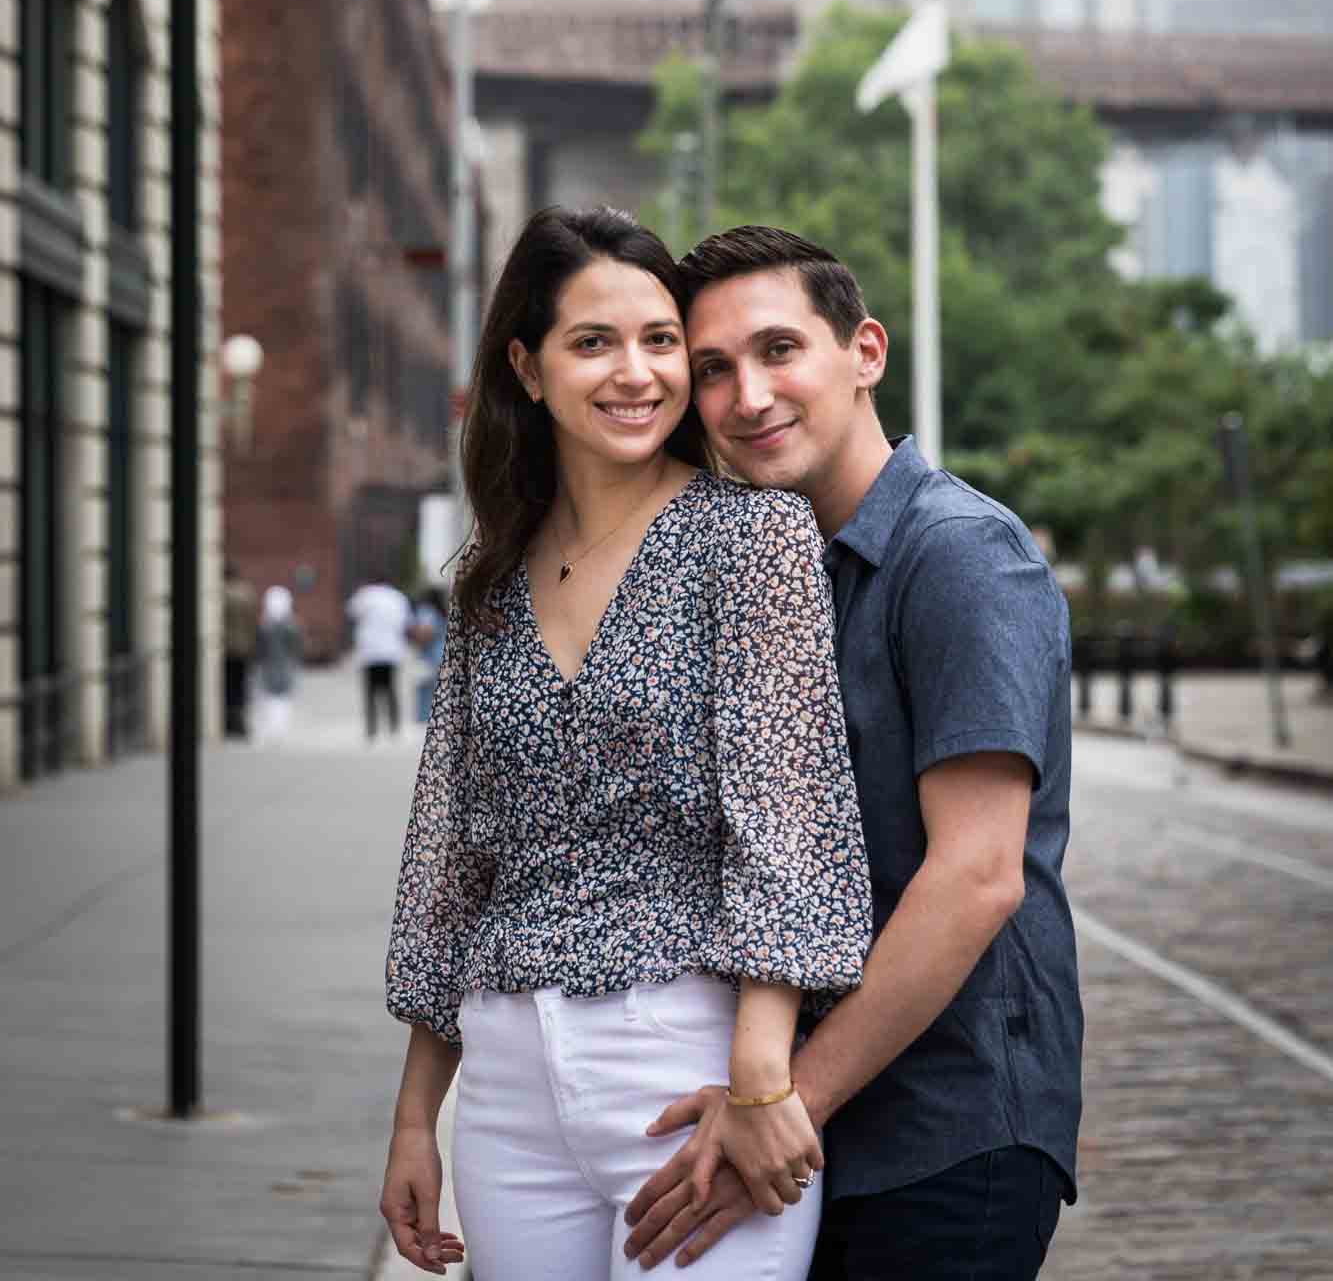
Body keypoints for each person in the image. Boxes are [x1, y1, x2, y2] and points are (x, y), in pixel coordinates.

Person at [379, 207, 872, 1279]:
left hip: (685, 1056)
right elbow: (451, 861)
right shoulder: (487, 581)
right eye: (592, 341)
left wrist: (759, 1078)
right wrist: (418, 1115)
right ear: (527, 365)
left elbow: (786, 820)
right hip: (507, 1085)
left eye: (660, 341)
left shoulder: (748, 536)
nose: (637, 372)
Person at [623, 226, 1082, 1281]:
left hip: (947, 1127)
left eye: (779, 348)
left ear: (864, 350)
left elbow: (974, 875)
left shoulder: (959, 554)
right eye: (712, 369)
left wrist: (780, 1099)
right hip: (826, 1121)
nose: (747, 395)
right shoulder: (782, 570)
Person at [346, 574, 414, 738]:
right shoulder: (398, 598)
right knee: (390, 690)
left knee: (370, 691)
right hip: (391, 650)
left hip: (369, 650)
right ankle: (394, 727)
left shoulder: (364, 595)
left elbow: (350, 612)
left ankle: (372, 729)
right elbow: (407, 622)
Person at [254, 583, 301, 742]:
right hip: (282, 664)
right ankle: (278, 727)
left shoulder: (266, 625)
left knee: (272, 695)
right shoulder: (290, 625)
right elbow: (295, 645)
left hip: (272, 664)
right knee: (280, 696)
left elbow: (259, 645)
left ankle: (275, 727)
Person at [222, 559, 259, 738]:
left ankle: (230, 723)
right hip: (244, 648)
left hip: (227, 649)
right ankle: (240, 724)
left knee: (227, 687)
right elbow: (254, 623)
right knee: (241, 687)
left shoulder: (221, 594)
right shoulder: (247, 593)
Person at [409, 587, 449, 726]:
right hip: (442, 655)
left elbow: (424, 633)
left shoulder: (426, 611)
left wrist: (414, 635)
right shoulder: (443, 612)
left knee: (426, 693)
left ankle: (426, 722)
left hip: (429, 658)